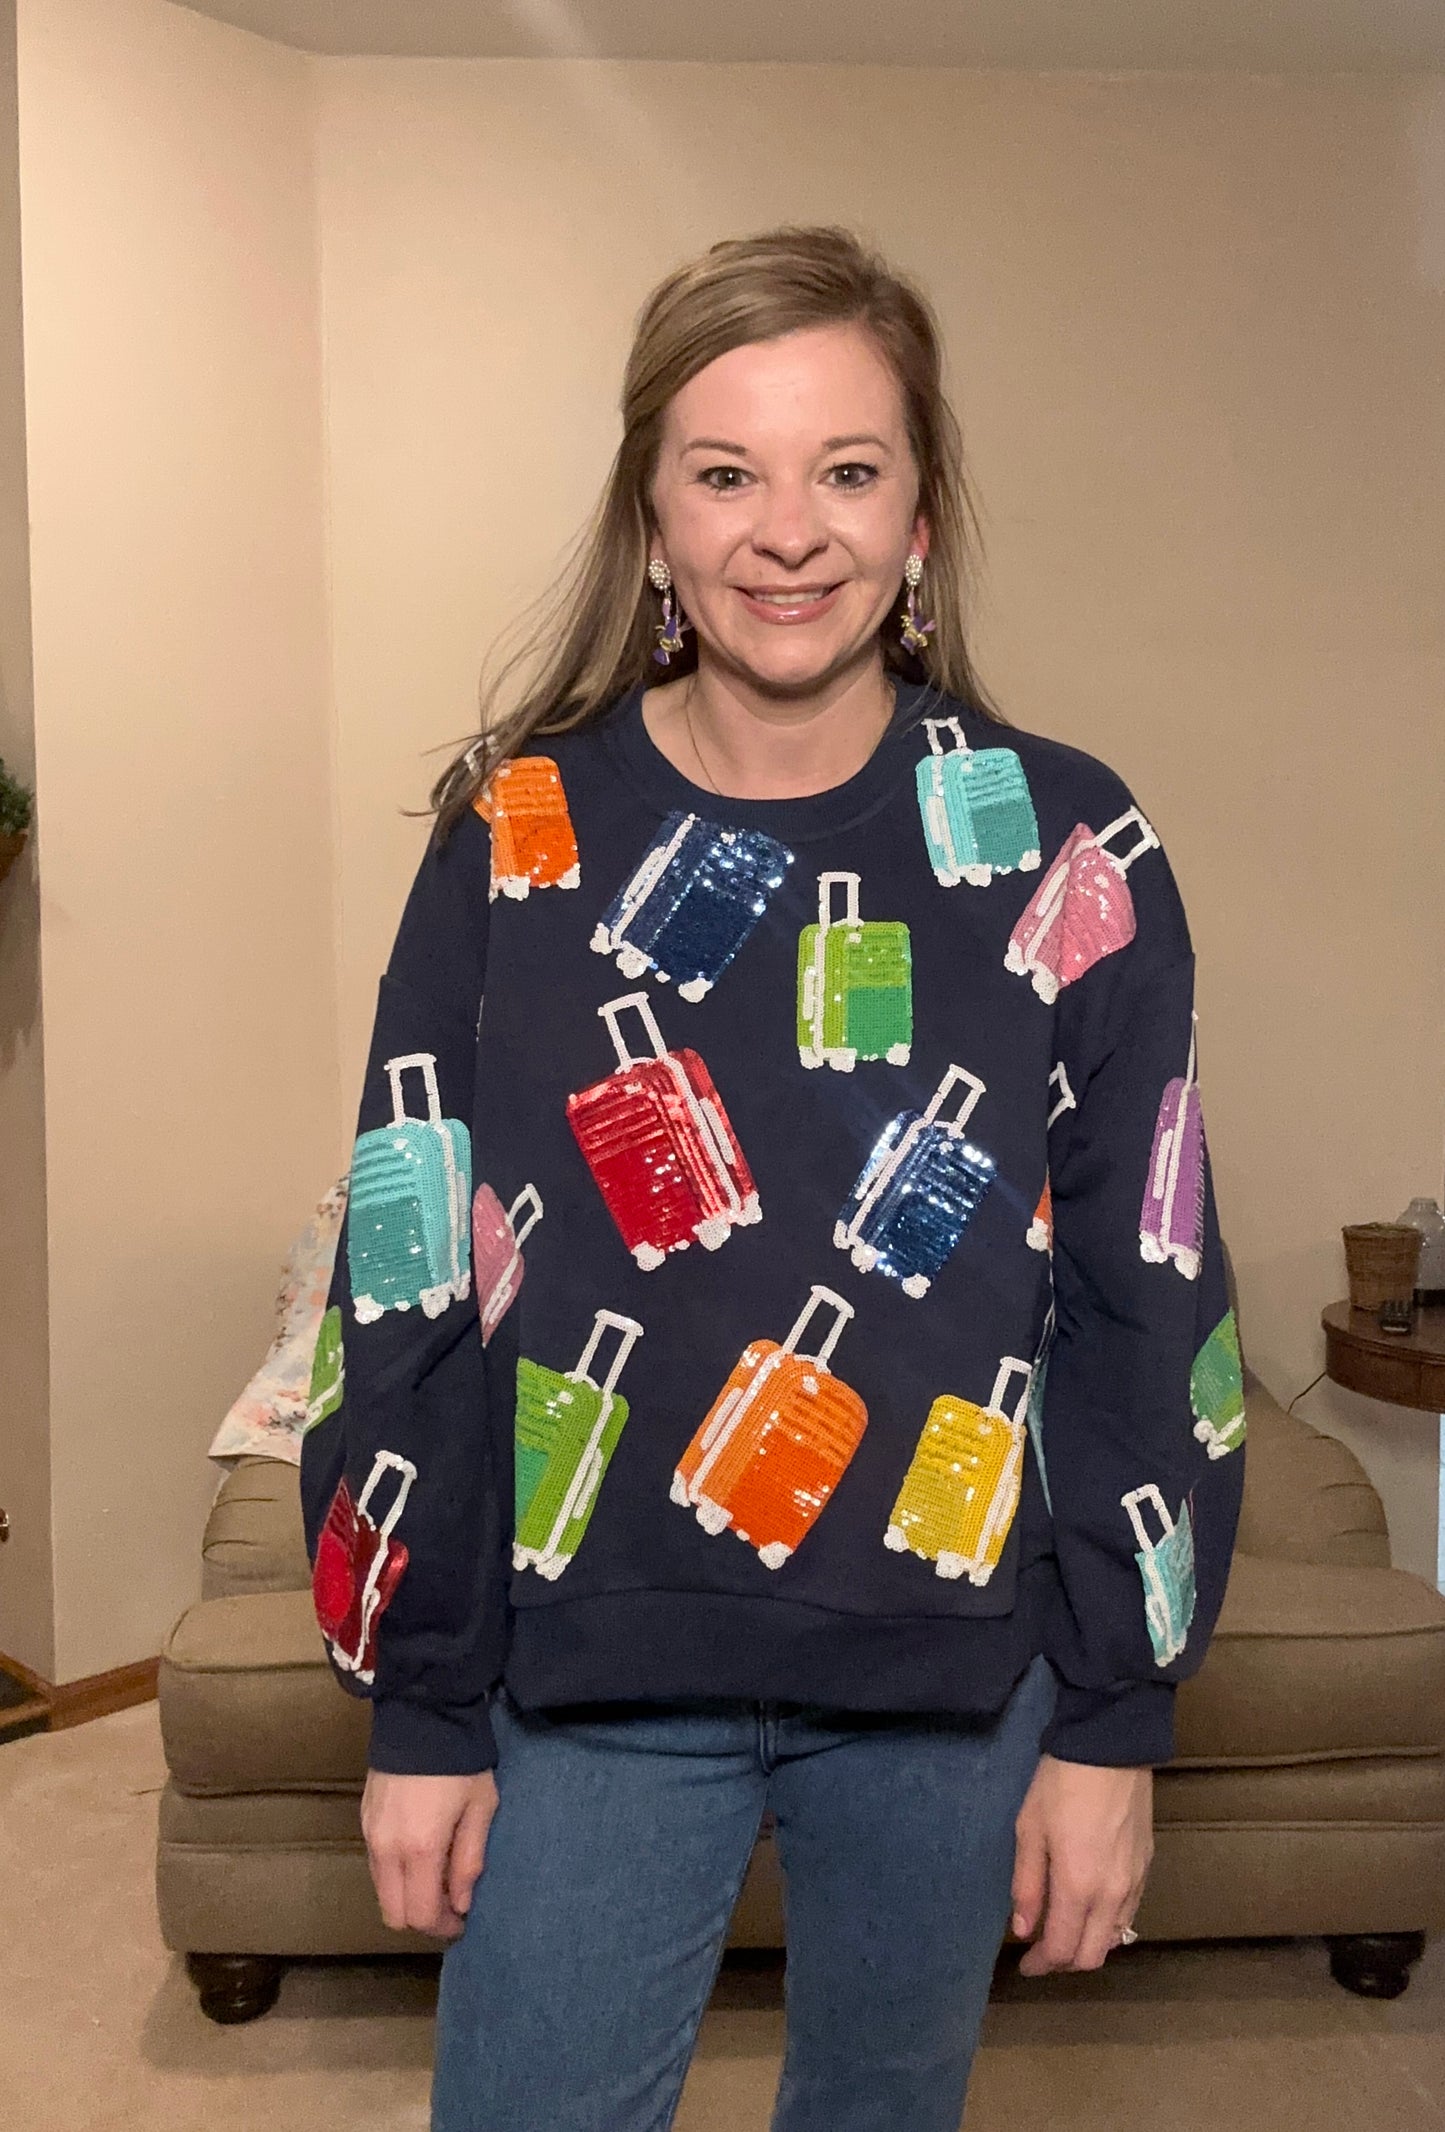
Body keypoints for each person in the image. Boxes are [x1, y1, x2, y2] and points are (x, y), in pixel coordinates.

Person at [299, 224, 1244, 2132]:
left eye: (847, 470)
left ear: (919, 518)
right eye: (724, 472)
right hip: (589, 1666)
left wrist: (1117, 1721)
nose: (784, 529)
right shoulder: (519, 825)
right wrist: (417, 1693)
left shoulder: (1065, 837)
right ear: (650, 518)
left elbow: (1148, 1290)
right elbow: (407, 1258)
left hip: (951, 1680)